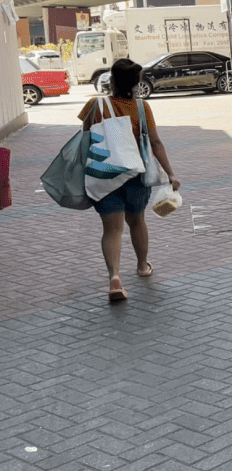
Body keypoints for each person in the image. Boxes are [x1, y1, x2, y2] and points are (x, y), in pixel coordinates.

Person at [78, 58, 181, 302]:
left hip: (103, 174)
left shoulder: (95, 105)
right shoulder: (142, 108)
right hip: (135, 175)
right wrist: (171, 173)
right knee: (137, 222)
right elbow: (155, 142)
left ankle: (115, 277)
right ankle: (142, 265)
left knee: (112, 229)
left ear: (111, 80)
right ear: (136, 83)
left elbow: (84, 139)